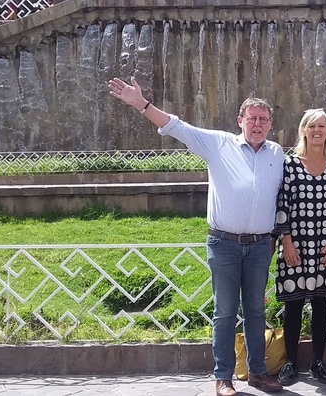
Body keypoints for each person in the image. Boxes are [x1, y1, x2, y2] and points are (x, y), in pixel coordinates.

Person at [108, 77, 285, 396]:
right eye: (252, 118)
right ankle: (224, 377)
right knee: (225, 311)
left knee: (256, 310)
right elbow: (178, 127)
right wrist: (142, 104)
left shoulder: (277, 153)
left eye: (263, 119)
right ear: (240, 122)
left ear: (270, 124)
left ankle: (258, 372)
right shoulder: (218, 143)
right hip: (224, 243)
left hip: (260, 246)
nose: (257, 123)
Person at [273, 109, 326, 386]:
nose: (317, 130)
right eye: (312, 126)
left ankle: (318, 361)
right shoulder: (289, 165)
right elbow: (282, 205)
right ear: (304, 130)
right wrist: (287, 242)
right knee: (293, 306)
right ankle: (290, 362)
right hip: (296, 245)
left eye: (322, 126)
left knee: (321, 305)